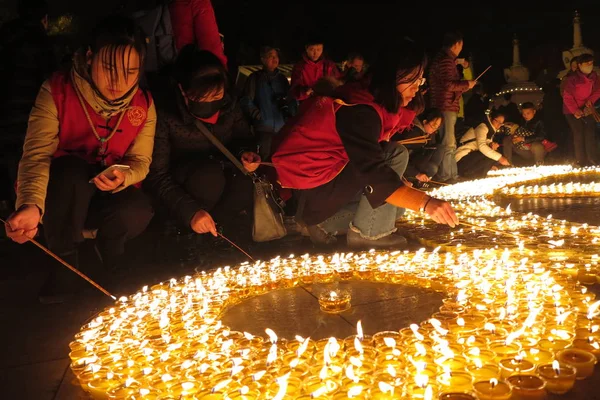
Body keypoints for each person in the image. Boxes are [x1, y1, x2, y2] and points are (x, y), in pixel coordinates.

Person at [4, 15, 156, 304]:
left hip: (105, 194)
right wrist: (30, 204)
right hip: (62, 193)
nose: (119, 82)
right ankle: (65, 263)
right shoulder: (58, 90)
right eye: (110, 68)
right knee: (71, 171)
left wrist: (124, 176)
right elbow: (36, 154)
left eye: (131, 72)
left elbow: (141, 161)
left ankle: (111, 257)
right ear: (89, 56)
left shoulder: (143, 104)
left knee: (138, 207)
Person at [272, 39, 458, 250]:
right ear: (392, 76)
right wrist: (426, 203)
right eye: (411, 80)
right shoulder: (359, 109)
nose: (416, 88)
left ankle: (329, 224)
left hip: (326, 189)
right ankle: (366, 234)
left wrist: (409, 194)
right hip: (314, 193)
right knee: (394, 155)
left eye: (420, 80)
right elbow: (373, 171)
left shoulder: (372, 102)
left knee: (398, 208)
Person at [144, 46, 258, 241]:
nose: (210, 104)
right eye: (201, 97)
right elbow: (157, 175)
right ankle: (186, 235)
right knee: (209, 177)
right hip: (185, 184)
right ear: (182, 90)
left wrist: (247, 154)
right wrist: (190, 212)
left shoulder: (229, 106)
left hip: (223, 172)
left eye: (216, 96)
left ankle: (217, 236)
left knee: (245, 183)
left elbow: (243, 138)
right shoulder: (165, 115)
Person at [0, 0, 56, 206]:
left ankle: (11, 208)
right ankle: (23, 211)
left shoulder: (5, 36)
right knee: (25, 163)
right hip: (30, 114)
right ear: (44, 19)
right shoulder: (41, 41)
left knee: (9, 160)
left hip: (5, 111)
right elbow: (50, 80)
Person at [427, 31, 476, 183]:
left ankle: (451, 174)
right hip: (446, 105)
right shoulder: (446, 60)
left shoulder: (445, 59)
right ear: (456, 44)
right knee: (448, 143)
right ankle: (446, 176)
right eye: (461, 44)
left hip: (446, 104)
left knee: (449, 142)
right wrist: (467, 84)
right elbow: (448, 84)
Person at [240, 46, 291, 159]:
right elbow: (246, 101)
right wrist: (259, 116)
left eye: (276, 56)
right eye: (270, 56)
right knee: (263, 159)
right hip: (263, 131)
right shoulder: (255, 78)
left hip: (282, 129)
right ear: (262, 59)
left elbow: (290, 100)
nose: (275, 59)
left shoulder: (282, 79)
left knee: (280, 160)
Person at [562, 53, 600, 167]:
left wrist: (590, 101)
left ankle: (593, 159)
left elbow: (598, 91)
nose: (589, 65)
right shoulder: (572, 79)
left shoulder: (594, 76)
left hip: (587, 109)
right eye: (587, 63)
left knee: (590, 133)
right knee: (579, 133)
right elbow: (567, 97)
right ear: (580, 65)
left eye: (591, 63)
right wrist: (575, 111)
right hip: (571, 110)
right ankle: (581, 161)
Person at [455, 109, 510, 179]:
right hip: (462, 160)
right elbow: (482, 146)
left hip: (469, 158)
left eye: (501, 123)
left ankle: (479, 174)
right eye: (497, 121)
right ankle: (469, 174)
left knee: (493, 152)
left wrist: (491, 144)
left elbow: (486, 141)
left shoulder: (490, 131)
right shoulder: (482, 127)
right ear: (490, 118)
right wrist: (500, 158)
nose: (499, 125)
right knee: (492, 154)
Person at [400, 108, 444, 186]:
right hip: (406, 165)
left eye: (436, 128)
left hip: (415, 159)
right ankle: (412, 179)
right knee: (432, 168)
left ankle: (423, 180)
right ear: (424, 121)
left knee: (440, 148)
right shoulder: (413, 133)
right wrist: (416, 174)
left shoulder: (427, 133)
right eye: (433, 126)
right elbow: (400, 157)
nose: (434, 130)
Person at [289, 36, 341, 103]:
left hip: (327, 105)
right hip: (307, 105)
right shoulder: (299, 67)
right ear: (306, 49)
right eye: (312, 49)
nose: (315, 53)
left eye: (319, 49)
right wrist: (305, 91)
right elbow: (294, 90)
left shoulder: (329, 65)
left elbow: (338, 85)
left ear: (322, 49)